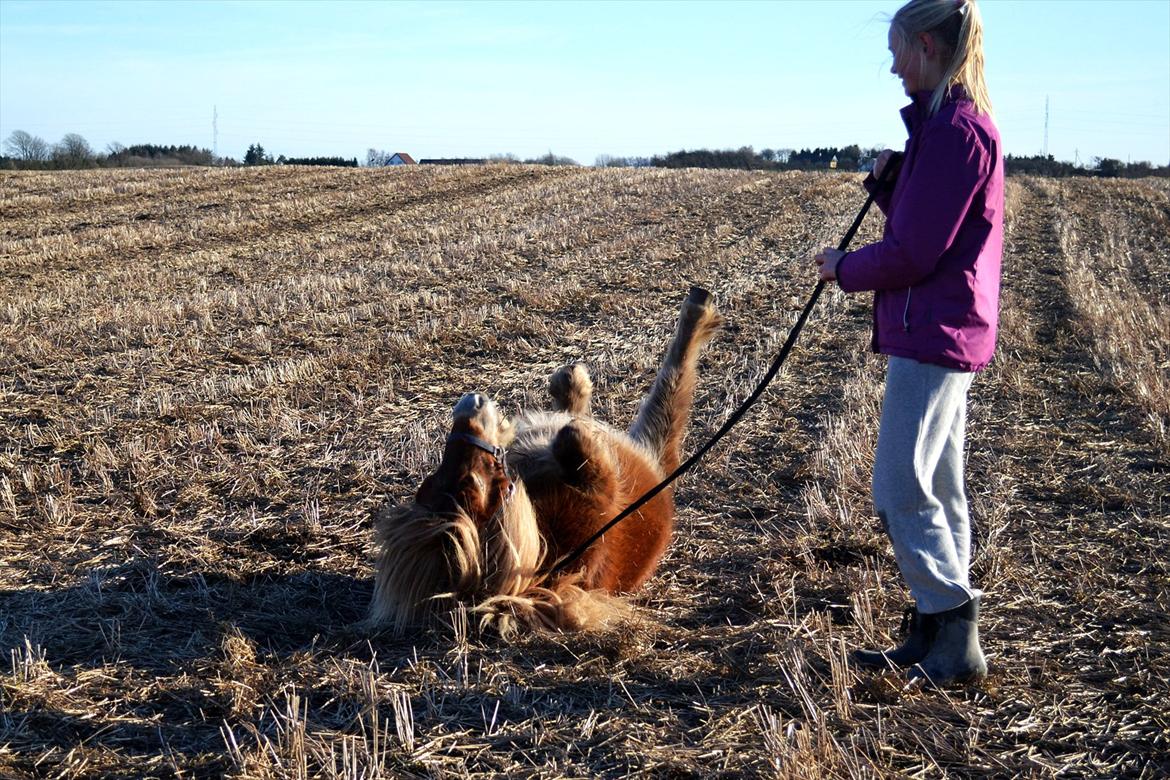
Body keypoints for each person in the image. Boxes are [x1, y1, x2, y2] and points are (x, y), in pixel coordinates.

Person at [813, 0, 1002, 686]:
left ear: (925, 45)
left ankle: (950, 627)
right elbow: (928, 231)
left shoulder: (954, 134)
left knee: (900, 486)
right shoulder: (948, 129)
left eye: (896, 52)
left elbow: (913, 254)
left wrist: (844, 268)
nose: (893, 67)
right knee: (939, 486)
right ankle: (936, 632)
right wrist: (893, 187)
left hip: (935, 330)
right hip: (945, 326)